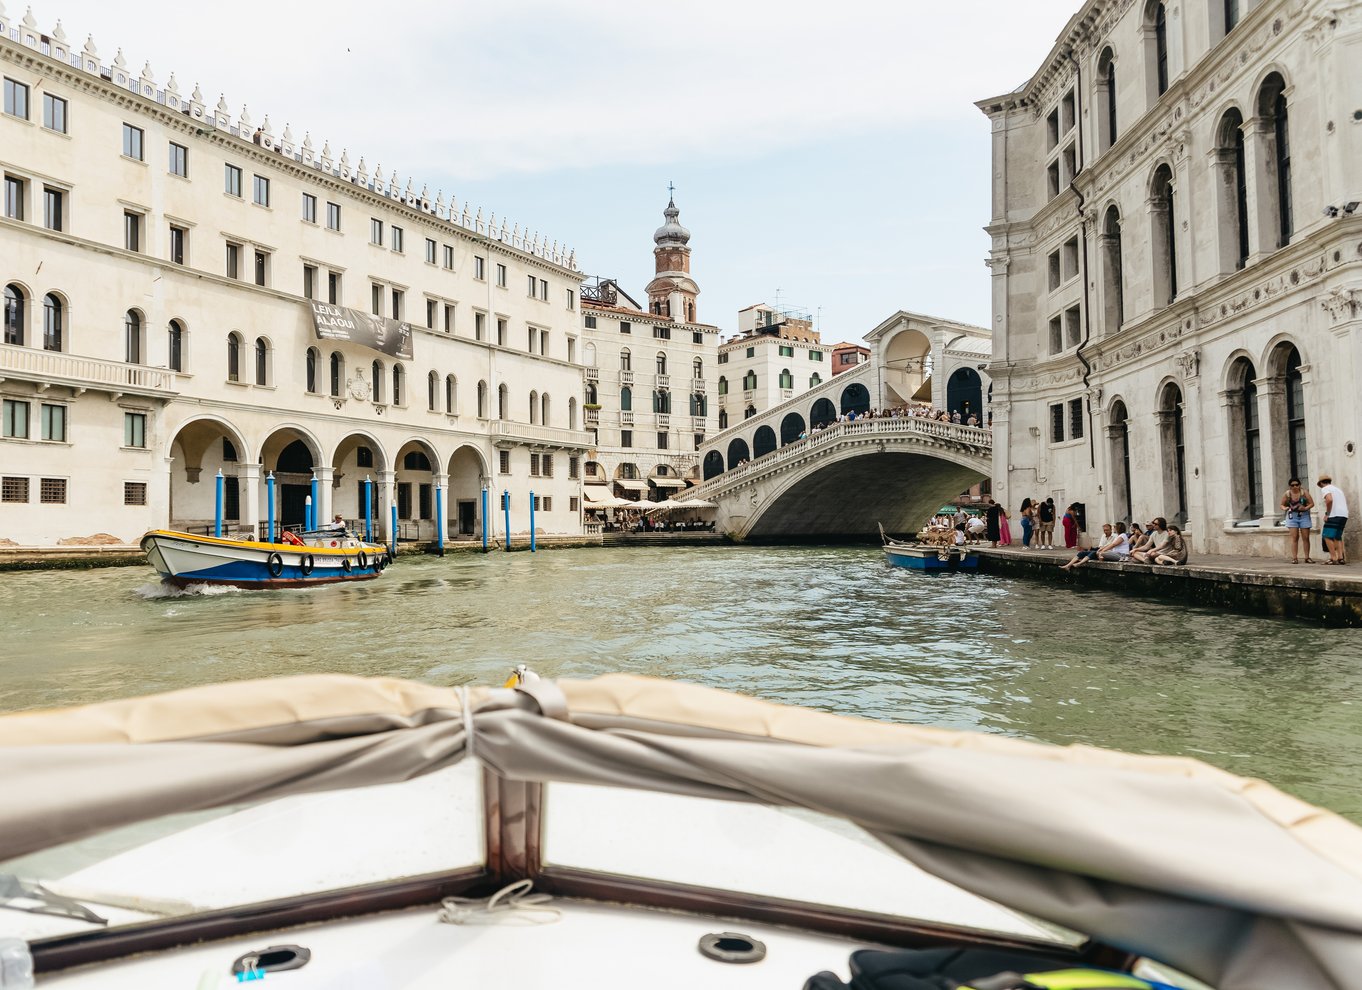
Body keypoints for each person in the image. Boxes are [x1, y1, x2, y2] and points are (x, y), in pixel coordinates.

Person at [1281, 478, 1315, 563]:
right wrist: (1285, 508)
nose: (1295, 486)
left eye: (1297, 485)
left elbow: (1312, 503)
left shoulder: (1304, 493)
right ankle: (1294, 558)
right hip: (1292, 516)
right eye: (1292, 485)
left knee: (1306, 537)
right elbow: (1282, 504)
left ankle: (1307, 557)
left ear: (1300, 485)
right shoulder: (1287, 494)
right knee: (1294, 537)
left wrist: (1305, 508)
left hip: (1304, 515)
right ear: (1290, 486)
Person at [1317, 474, 1350, 564]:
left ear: (1321, 483)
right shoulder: (1338, 490)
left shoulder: (1325, 489)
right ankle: (1340, 558)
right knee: (1337, 537)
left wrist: (1327, 514)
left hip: (1334, 515)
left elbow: (1329, 500)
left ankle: (1333, 558)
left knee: (1327, 536)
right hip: (1343, 515)